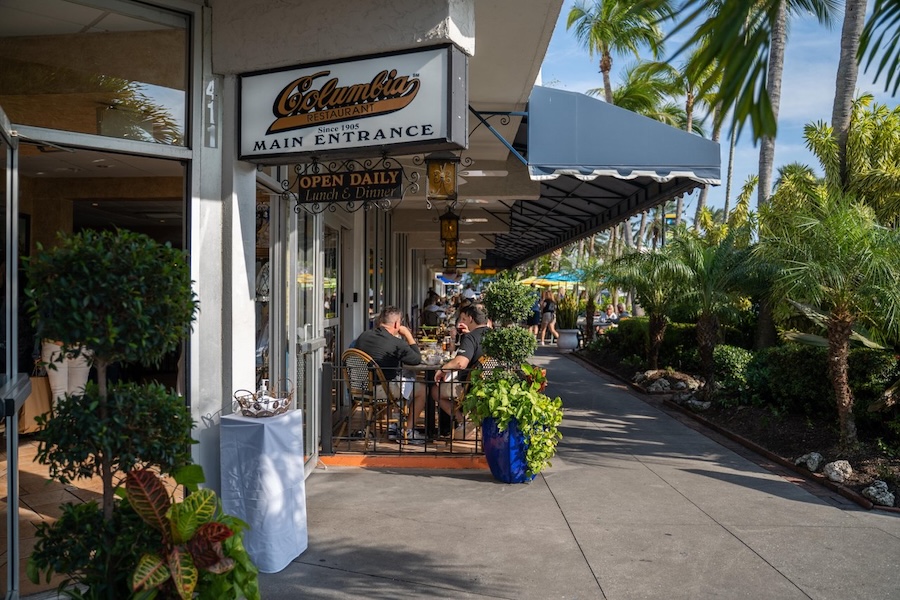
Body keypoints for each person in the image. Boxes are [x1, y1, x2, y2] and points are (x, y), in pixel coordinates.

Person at [353, 306, 428, 443]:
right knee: (421, 389)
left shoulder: (363, 336)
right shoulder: (396, 343)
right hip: (383, 390)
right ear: (396, 324)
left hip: (360, 388)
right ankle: (408, 431)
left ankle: (392, 426)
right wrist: (408, 335)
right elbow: (417, 359)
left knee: (395, 378)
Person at [433, 304, 490, 439]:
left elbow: (460, 363)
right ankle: (472, 421)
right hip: (490, 384)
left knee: (435, 391)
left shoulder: (472, 337)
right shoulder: (495, 335)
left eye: (464, 318)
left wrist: (443, 369)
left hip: (470, 387)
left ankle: (463, 420)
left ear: (470, 318)